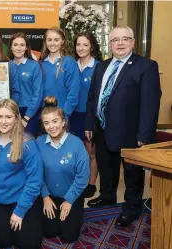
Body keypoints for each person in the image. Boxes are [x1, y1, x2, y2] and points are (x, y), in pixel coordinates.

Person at [85, 25, 161, 228]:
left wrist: (144, 135)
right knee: (106, 167)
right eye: (115, 40)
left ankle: (132, 207)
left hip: (131, 131)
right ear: (109, 44)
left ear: (133, 42)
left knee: (132, 174)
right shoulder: (102, 66)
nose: (120, 43)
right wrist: (90, 124)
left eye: (125, 39)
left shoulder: (146, 66)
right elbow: (93, 98)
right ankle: (107, 196)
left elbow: (150, 104)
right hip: (102, 128)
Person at [0, 99, 43, 249]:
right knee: (2, 241)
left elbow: (35, 181)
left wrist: (20, 211)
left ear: (16, 119)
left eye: (8, 117)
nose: (3, 121)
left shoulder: (27, 144)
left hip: (21, 198)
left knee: (29, 244)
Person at [37, 96, 89, 243]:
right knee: (49, 232)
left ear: (64, 122)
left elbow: (83, 176)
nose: (51, 126)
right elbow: (36, 173)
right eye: (46, 123)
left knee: (69, 236)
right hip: (49, 195)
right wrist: (45, 196)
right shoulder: (39, 143)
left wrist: (70, 200)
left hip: (71, 194)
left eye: (55, 121)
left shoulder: (77, 143)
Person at [72, 32, 102, 198]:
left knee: (91, 152)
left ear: (91, 46)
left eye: (85, 44)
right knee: (75, 152)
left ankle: (91, 185)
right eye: (78, 44)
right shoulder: (71, 65)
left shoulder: (98, 66)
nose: (81, 48)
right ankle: (77, 182)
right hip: (72, 115)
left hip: (90, 115)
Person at [40, 27, 80, 127]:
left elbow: (73, 93)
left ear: (62, 41)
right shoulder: (40, 64)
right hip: (44, 118)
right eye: (49, 40)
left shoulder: (69, 62)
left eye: (56, 40)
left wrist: (64, 115)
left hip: (62, 118)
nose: (52, 43)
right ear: (45, 41)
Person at [8, 32, 43, 136]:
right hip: (11, 111)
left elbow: (38, 94)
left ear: (26, 48)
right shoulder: (6, 66)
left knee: (28, 144)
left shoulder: (34, 66)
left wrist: (26, 118)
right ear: (10, 47)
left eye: (22, 45)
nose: (18, 48)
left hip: (30, 112)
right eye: (15, 45)